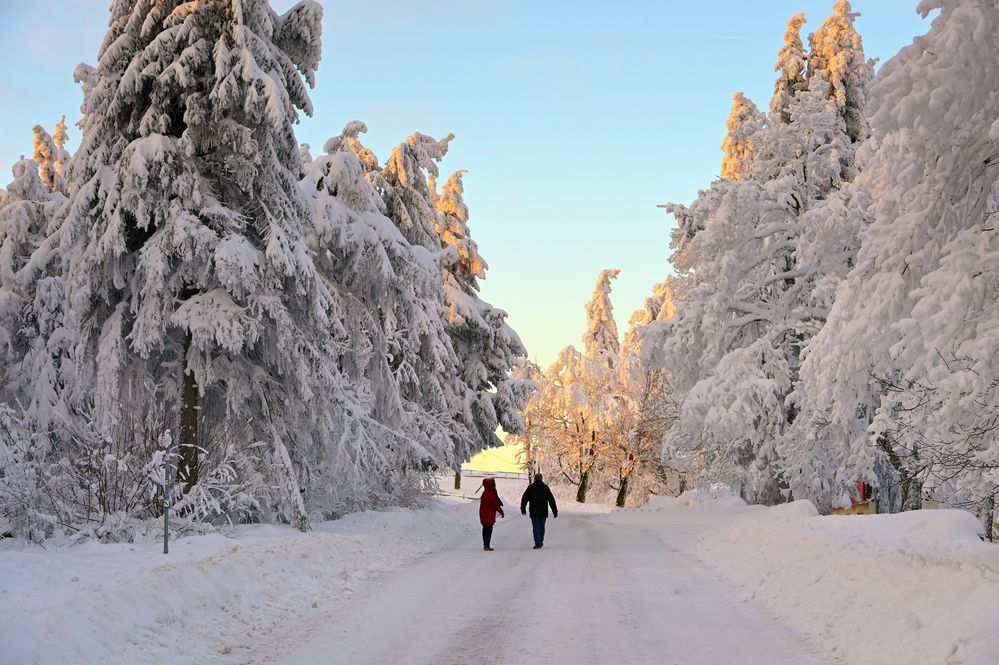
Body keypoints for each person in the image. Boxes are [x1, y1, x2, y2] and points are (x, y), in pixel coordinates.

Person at [520, 473, 558, 549]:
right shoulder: (545, 488)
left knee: (536, 527)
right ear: (541, 479)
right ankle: (540, 541)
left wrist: (523, 508)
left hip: (534, 511)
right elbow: (551, 500)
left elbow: (524, 498)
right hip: (543, 511)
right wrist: (554, 510)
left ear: (534, 478)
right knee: (542, 527)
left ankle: (538, 543)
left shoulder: (531, 487)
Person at [478, 477, 504, 551]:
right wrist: (501, 511)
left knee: (485, 529)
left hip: (483, 513)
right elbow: (495, 504)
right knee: (489, 530)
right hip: (489, 514)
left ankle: (485, 545)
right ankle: (487, 546)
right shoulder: (490, 494)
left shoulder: (484, 493)